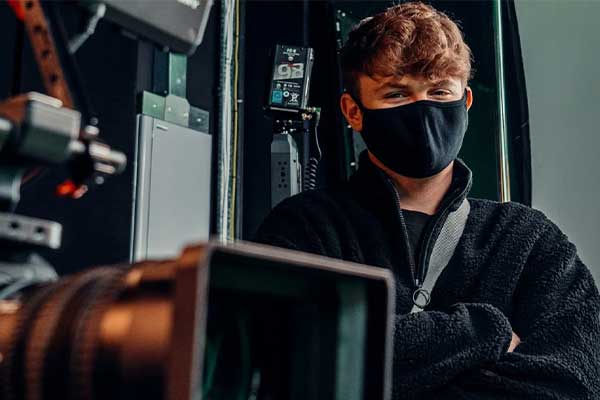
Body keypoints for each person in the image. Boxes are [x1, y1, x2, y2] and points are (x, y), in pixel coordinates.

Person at [254, 2, 600, 399]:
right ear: (353, 111)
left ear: (465, 103)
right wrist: (483, 331)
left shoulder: (529, 242)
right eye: (397, 94)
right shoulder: (306, 231)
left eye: (439, 91)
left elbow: (574, 381)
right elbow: (287, 363)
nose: (422, 111)